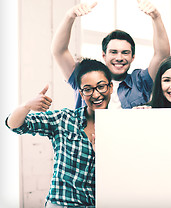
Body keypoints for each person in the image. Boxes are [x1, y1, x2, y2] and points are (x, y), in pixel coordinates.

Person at [5, 58, 113, 207]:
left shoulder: (118, 128)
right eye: (88, 89)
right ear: (81, 94)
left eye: (101, 87)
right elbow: (14, 124)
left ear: (111, 87)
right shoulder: (63, 119)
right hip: (60, 204)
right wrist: (27, 105)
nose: (96, 95)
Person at [52, 0, 170, 109]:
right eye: (113, 52)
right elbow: (59, 51)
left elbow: (162, 56)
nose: (119, 58)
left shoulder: (140, 82)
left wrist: (156, 17)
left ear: (132, 57)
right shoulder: (85, 76)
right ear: (104, 55)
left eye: (125, 52)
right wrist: (70, 16)